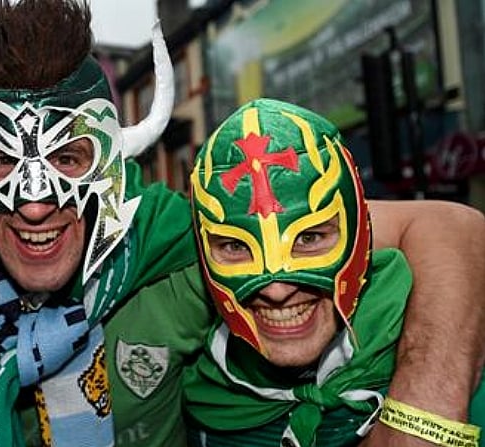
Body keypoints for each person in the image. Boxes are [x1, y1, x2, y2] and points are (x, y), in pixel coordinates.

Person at [0, 1, 485, 446]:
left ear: (112, 156)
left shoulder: (187, 232)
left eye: (70, 154)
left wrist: (423, 413)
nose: (37, 200)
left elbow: (449, 227)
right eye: (3, 161)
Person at [182, 98, 484, 446]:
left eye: (309, 237)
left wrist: (424, 413)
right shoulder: (203, 401)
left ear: (360, 234)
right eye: (235, 247)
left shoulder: (450, 350)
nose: (277, 291)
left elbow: (452, 224)